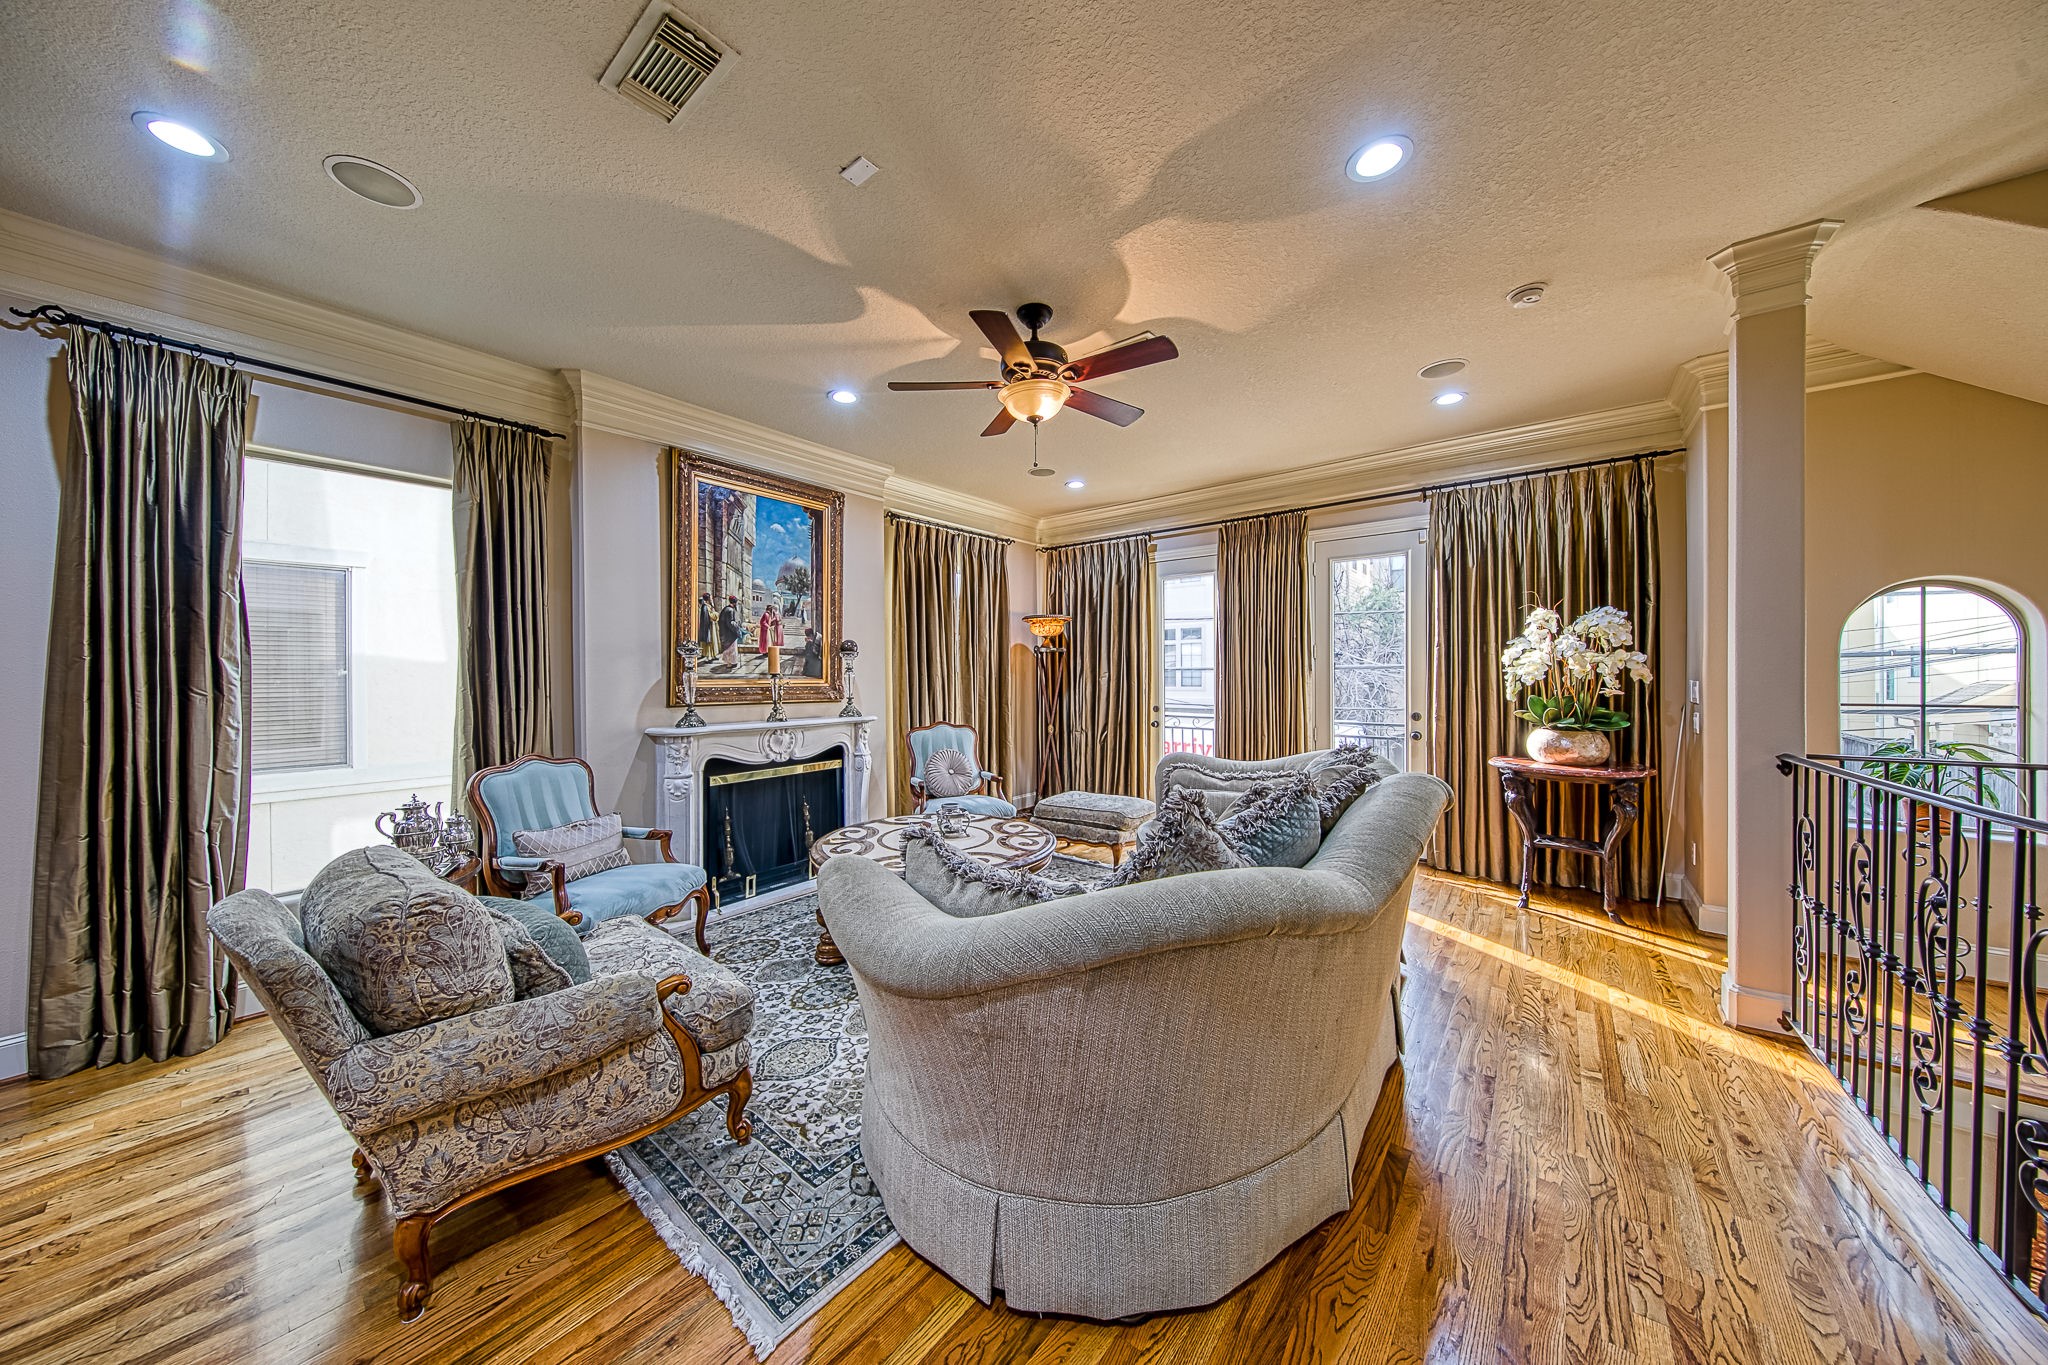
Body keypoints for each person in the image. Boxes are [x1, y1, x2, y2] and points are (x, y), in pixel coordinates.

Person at [756, 602, 785, 676]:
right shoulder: (766, 614)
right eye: (771, 609)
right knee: (765, 641)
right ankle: (764, 652)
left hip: (767, 630)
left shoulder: (769, 615)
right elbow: (762, 622)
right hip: (764, 630)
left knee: (767, 642)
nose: (772, 610)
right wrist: (768, 626)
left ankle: (766, 651)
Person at [717, 595, 741, 668]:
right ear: (735, 603)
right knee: (731, 648)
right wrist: (737, 627)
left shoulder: (725, 609)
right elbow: (731, 623)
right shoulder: (730, 610)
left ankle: (729, 662)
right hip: (730, 633)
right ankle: (731, 662)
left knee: (728, 648)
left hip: (725, 632)